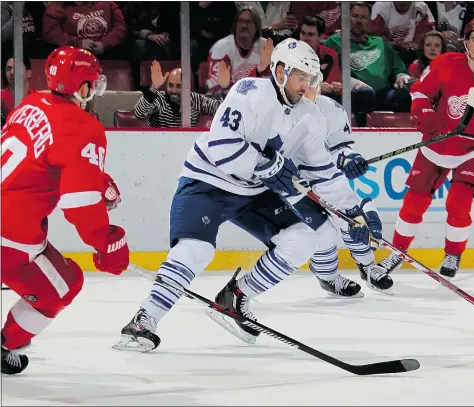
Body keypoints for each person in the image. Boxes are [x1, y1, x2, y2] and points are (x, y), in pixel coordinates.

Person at [113, 39, 382, 351]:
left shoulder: (310, 116)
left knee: (303, 239)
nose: (306, 86)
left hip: (253, 191)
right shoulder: (250, 92)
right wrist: (266, 164)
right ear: (280, 72)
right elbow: (222, 146)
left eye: (311, 79)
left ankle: (235, 298)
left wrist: (354, 213)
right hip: (208, 181)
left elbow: (323, 172)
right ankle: (145, 319)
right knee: (196, 250)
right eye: (301, 77)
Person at [1, 46, 130, 375]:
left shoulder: (29, 104)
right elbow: (80, 205)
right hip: (10, 240)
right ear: (83, 87)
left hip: (10, 227)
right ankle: (6, 343)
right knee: (63, 286)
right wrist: (107, 242)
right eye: (92, 81)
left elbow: (42, 157)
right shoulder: (85, 127)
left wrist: (95, 177)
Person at [377, 18, 474, 278]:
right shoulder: (445, 64)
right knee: (414, 202)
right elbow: (421, 93)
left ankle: (453, 254)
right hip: (437, 143)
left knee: (458, 202)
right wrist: (426, 116)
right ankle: (396, 252)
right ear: (465, 42)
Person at [309, 92, 393, 296]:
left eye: (312, 81)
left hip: (325, 177)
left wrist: (349, 159)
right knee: (321, 230)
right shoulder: (278, 108)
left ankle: (367, 266)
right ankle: (327, 276)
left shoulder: (329, 108)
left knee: (356, 216)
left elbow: (340, 147)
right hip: (290, 182)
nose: (306, 87)